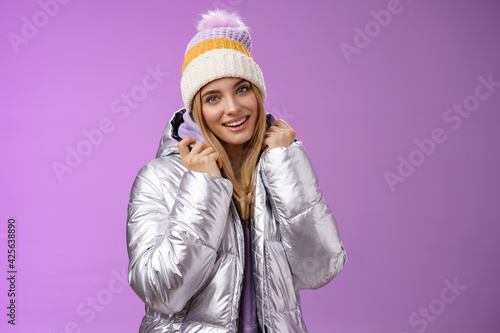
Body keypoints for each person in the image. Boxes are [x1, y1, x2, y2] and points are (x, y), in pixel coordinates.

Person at [126, 8, 347, 333]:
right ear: (196, 109)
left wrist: (286, 165)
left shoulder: (280, 165)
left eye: (242, 89)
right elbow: (163, 293)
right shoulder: (159, 178)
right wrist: (202, 186)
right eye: (213, 97)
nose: (233, 107)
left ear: (258, 94)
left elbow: (319, 270)